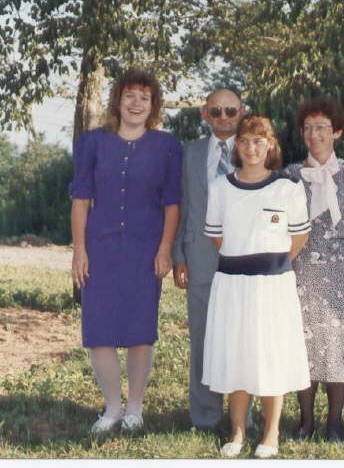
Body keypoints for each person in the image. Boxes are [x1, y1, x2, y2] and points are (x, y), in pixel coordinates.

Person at [70, 67, 182, 434]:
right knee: (98, 328)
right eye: (130, 95)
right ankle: (113, 408)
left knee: (139, 329)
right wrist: (79, 251)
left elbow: (172, 204)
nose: (136, 103)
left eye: (144, 97)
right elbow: (81, 199)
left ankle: (135, 408)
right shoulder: (92, 143)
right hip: (99, 249)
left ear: (154, 106)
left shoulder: (167, 146)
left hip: (145, 250)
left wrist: (165, 248)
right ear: (117, 101)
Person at [201, 116, 311, 458]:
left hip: (273, 286)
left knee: (269, 356)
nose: (252, 148)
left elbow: (299, 238)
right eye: (246, 141)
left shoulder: (288, 187)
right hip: (233, 284)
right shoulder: (220, 187)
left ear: (271, 146)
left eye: (259, 142)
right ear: (238, 146)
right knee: (236, 355)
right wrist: (244, 261)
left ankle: (270, 433)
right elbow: (218, 239)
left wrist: (269, 265)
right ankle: (236, 431)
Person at [283, 98, 344, 442]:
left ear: (337, 131)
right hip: (300, 268)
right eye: (308, 128)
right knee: (301, 342)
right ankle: (306, 420)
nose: (314, 134)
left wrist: (340, 259)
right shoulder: (290, 176)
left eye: (321, 127)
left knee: (339, 343)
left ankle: (335, 421)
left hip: (341, 271)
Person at [171, 88, 246, 430]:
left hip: (244, 258)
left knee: (241, 338)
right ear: (205, 114)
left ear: (241, 112)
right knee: (202, 338)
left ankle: (242, 417)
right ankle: (204, 417)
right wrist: (177, 254)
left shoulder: (253, 149)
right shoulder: (189, 153)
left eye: (230, 111)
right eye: (216, 111)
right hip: (198, 257)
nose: (223, 117)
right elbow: (179, 207)